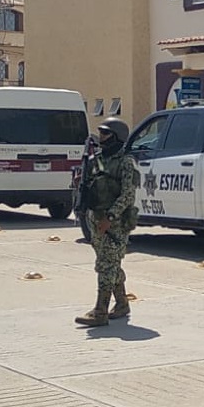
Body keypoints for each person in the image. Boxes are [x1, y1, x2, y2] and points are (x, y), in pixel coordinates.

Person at [75, 118, 139, 327]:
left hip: (115, 223)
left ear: (117, 137)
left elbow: (127, 195)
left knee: (106, 266)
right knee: (110, 264)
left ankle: (100, 311)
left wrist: (110, 218)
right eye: (101, 133)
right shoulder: (97, 160)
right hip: (96, 218)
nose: (101, 137)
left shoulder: (126, 163)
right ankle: (121, 303)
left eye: (106, 133)